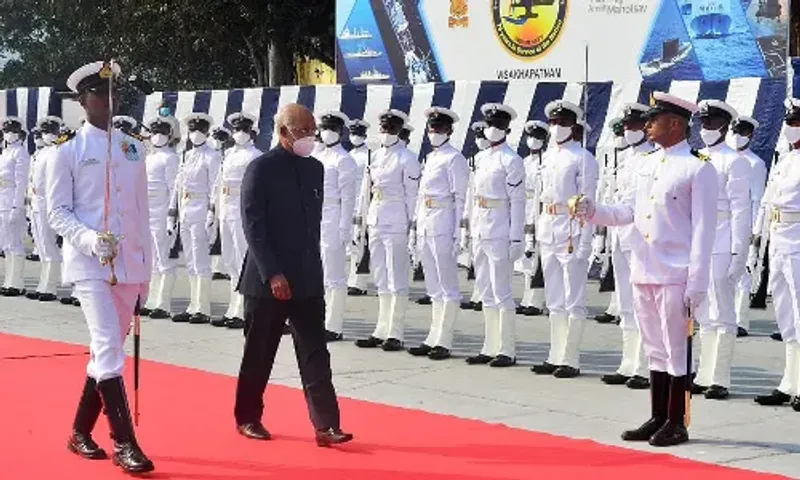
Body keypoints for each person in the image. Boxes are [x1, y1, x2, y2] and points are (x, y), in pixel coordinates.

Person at [572, 91, 717, 447]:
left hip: (676, 272)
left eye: (655, 119)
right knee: (653, 346)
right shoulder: (644, 165)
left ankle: (677, 421)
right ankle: (657, 415)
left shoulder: (698, 167)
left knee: (676, 348)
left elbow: (703, 230)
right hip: (644, 267)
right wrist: (592, 210)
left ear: (676, 124)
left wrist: (696, 284)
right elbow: (625, 213)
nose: (647, 125)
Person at [48, 60, 153, 472]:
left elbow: (142, 212)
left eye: (113, 95)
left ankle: (79, 431)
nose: (108, 102)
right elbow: (58, 212)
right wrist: (91, 240)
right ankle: (125, 442)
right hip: (89, 264)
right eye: (98, 95)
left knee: (107, 350)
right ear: (82, 100)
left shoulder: (132, 146)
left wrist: (146, 267)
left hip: (129, 266)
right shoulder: (67, 150)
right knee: (108, 343)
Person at [234, 103, 353, 445]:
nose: (310, 138)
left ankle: (326, 425)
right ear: (283, 132)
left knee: (316, 352)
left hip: (306, 277)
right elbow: (253, 227)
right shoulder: (261, 168)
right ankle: (248, 417)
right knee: (259, 353)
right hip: (267, 279)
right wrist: (273, 273)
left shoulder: (316, 168)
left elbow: (311, 227)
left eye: (312, 131)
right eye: (302, 132)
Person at [531, 100, 599, 379]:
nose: (557, 127)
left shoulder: (582, 158)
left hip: (571, 228)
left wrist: (585, 240)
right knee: (554, 298)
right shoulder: (547, 157)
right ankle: (555, 354)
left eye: (563, 123)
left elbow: (588, 202)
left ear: (574, 126)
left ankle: (570, 358)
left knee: (574, 299)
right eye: (554, 123)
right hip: (549, 226)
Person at [691, 99, 751, 401]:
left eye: (712, 124)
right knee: (703, 311)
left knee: (723, 311)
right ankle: (704, 373)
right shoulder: (696, 157)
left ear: (725, 126)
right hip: (698, 242)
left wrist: (739, 254)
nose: (706, 129)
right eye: (703, 123)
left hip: (723, 240)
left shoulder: (733, 160)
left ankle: (721, 378)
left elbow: (741, 210)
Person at [462, 103, 525, 368]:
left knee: (502, 292)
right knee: (485, 290)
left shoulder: (512, 160)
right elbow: (471, 196)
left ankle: (507, 349)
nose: (492, 130)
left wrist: (516, 237)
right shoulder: (481, 158)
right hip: (480, 229)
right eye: (489, 125)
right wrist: (466, 229)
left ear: (507, 130)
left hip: (500, 229)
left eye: (498, 126)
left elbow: (518, 202)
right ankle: (489, 345)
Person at [354, 109, 420, 351]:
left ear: (399, 131)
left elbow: (412, 197)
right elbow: (367, 192)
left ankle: (396, 332)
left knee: (397, 278)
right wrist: (362, 222)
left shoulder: (407, 158)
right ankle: (381, 329)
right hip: (376, 219)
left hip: (397, 220)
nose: (386, 132)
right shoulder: (377, 156)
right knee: (380, 277)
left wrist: (413, 227)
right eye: (383, 128)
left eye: (391, 129)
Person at [600, 103, 655, 390]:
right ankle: (628, 362)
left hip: (641, 237)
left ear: (646, 127)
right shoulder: (623, 157)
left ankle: (646, 365)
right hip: (619, 235)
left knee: (642, 303)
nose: (630, 130)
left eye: (636, 125)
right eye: (628, 126)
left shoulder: (653, 157)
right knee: (624, 302)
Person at [407, 107, 469, 360]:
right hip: (426, 223)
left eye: (440, 129)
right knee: (433, 286)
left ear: (449, 131)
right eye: (432, 128)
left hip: (444, 223)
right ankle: (433, 336)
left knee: (447, 286)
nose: (434, 133)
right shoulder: (430, 158)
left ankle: (445, 339)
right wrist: (415, 227)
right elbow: (421, 197)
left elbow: (461, 198)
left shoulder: (455, 159)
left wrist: (459, 232)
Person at [751, 98, 800, 410]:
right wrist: (759, 238)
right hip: (780, 240)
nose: (790, 128)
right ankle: (790, 381)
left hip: (799, 240)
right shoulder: (784, 160)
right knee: (785, 314)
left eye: (795, 122)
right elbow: (769, 202)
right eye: (790, 122)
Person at [168, 112, 221, 324]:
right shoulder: (186, 156)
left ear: (207, 133)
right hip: (186, 210)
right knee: (190, 260)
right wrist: (172, 213)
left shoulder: (212, 156)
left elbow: (215, 188)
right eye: (192, 130)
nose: (196, 134)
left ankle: (203, 307)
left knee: (201, 261)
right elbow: (177, 187)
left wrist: (211, 212)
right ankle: (193, 305)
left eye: (200, 130)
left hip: (201, 211)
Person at [214, 112, 262, 328]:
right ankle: (234, 308)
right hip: (226, 209)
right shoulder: (229, 154)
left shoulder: (254, 155)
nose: (239, 134)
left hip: (242, 211)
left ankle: (245, 310)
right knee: (231, 260)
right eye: (236, 130)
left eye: (243, 130)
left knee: (244, 259)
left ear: (251, 132)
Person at [314, 110, 358, 341]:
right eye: (324, 128)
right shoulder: (318, 156)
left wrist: (344, 228)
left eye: (332, 128)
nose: (327, 132)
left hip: (333, 214)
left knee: (334, 275)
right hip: (316, 215)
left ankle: (334, 325)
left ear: (340, 132)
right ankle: (317, 320)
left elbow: (348, 197)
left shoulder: (344, 159)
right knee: (317, 274)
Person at [728, 116, 767, 337]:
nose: (737, 136)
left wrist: (755, 234)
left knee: (743, 274)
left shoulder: (755, 164)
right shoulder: (723, 159)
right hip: (723, 223)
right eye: (734, 131)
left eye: (742, 132)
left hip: (745, 223)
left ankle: (740, 321)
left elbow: (758, 200)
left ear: (750, 135)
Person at [139, 116, 180, 319]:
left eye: (162, 133)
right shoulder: (149, 157)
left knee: (165, 260)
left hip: (163, 213)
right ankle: (152, 299)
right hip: (148, 212)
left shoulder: (170, 158)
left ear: (169, 135)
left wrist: (171, 217)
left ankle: (163, 302)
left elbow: (174, 189)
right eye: (154, 132)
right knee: (152, 260)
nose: (157, 137)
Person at [26, 116, 65, 302]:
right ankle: (43, 283)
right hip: (36, 202)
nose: (48, 135)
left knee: (50, 246)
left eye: (52, 132)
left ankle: (50, 287)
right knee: (41, 245)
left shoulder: (58, 152)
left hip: (49, 203)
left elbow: (57, 182)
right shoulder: (40, 153)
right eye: (45, 132)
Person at [518, 120, 548, 317]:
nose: (533, 141)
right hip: (525, 207)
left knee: (538, 259)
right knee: (526, 260)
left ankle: (537, 301)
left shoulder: (545, 162)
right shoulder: (525, 162)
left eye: (538, 137)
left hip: (540, 209)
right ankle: (527, 298)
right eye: (531, 137)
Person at [0, 116, 31, 297]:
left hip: (12, 202)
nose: (9, 135)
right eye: (6, 131)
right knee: (6, 245)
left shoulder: (20, 153)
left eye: (12, 132)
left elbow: (21, 183)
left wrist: (17, 207)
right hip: (2, 202)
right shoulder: (5, 153)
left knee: (15, 244)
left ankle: (17, 283)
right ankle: (8, 281)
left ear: (19, 134)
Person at [346, 119, 371, 296]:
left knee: (360, 243)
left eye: (358, 133)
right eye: (353, 133)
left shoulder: (369, 154)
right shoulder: (348, 154)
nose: (355, 136)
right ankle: (350, 279)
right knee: (349, 243)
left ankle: (360, 283)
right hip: (348, 202)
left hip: (361, 203)